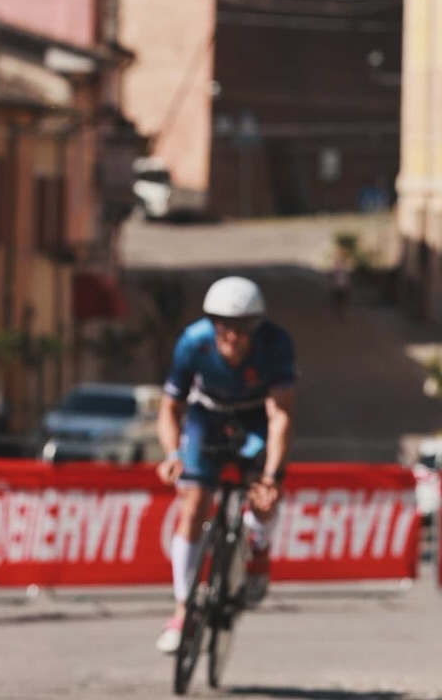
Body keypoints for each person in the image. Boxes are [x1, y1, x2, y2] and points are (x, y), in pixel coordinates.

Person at [154, 276, 296, 655]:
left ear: (257, 326)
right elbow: (170, 407)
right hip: (208, 416)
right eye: (224, 325)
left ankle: (259, 548)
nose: (232, 336)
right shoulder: (193, 341)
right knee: (194, 505)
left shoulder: (275, 344)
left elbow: (280, 415)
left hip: (253, 419)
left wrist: (271, 476)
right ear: (213, 323)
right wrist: (172, 455)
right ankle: (183, 610)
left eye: (243, 327)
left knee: (264, 496)